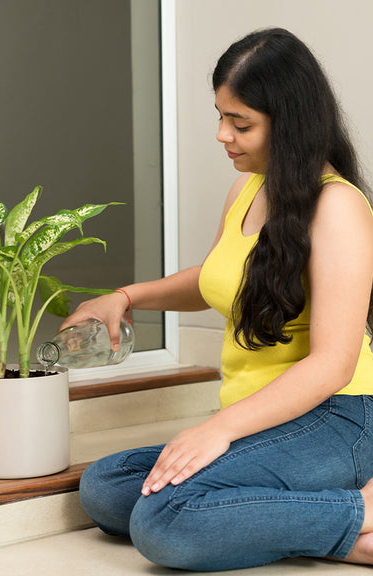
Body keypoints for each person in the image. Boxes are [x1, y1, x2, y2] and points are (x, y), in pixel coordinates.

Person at [62, 28, 373, 571]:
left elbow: (333, 365)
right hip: (263, 418)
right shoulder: (251, 186)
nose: (222, 135)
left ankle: (359, 509)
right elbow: (217, 278)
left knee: (164, 520)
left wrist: (217, 429)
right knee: (106, 488)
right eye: (221, 116)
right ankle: (340, 532)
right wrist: (125, 295)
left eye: (241, 123)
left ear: (291, 123)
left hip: (338, 417)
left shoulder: (339, 209)